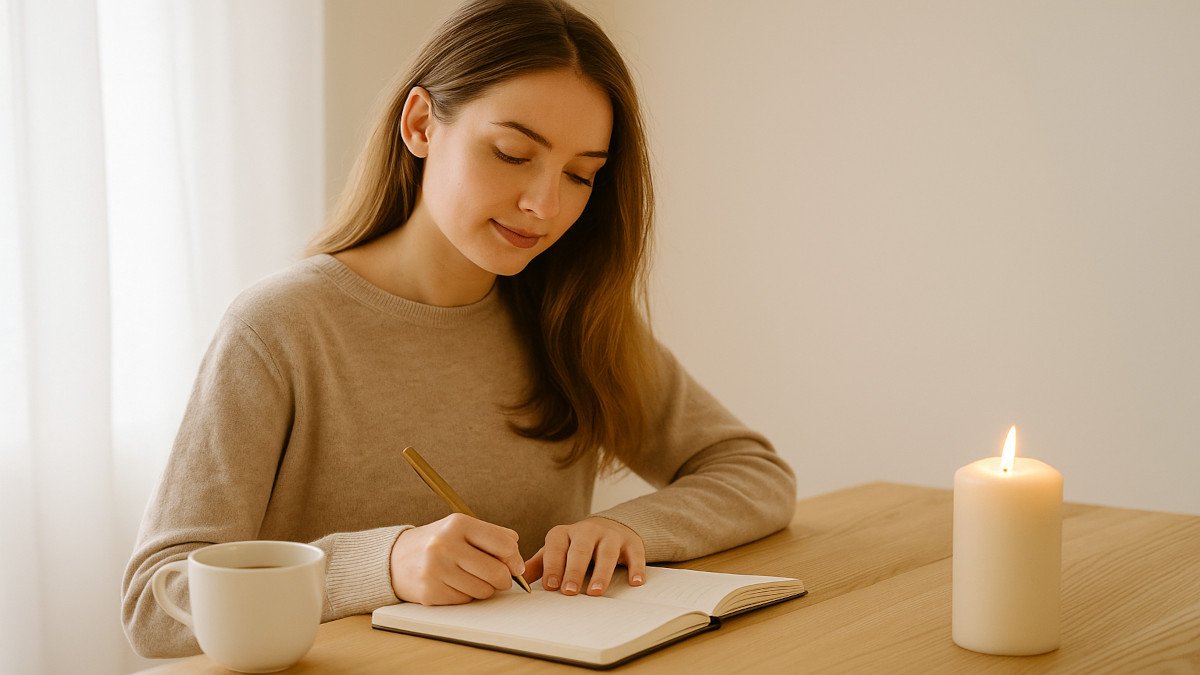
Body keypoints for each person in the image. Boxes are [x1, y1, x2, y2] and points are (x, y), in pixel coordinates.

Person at [122, 0, 795, 659]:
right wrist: (385, 562)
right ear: (420, 124)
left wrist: (627, 528)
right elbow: (158, 600)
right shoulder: (281, 327)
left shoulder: (567, 317)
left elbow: (754, 473)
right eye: (510, 153)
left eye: (581, 174)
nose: (545, 205)